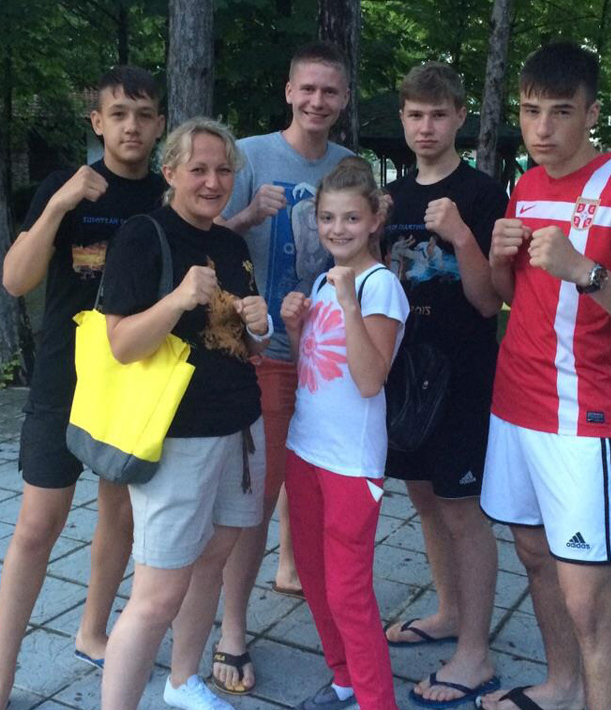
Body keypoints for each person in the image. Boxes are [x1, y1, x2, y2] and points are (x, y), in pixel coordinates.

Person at [479, 43, 611, 710]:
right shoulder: (527, 187)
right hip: (514, 408)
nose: (541, 129)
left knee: (589, 602)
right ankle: (562, 685)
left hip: (583, 420)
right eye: (530, 110)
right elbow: (513, 298)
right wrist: (496, 259)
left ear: (592, 114)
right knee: (535, 558)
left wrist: (587, 272)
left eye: (561, 112)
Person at [0, 65, 166, 710]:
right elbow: (14, 280)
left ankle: (92, 631)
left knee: (119, 514)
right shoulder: (65, 185)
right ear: (97, 122)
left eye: (143, 115)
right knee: (38, 526)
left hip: (130, 383)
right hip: (64, 377)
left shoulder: (165, 195)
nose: (131, 126)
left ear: (159, 124)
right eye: (119, 114)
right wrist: (58, 205)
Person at [97, 117, 270, 710]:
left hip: (240, 428)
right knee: (157, 594)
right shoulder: (143, 236)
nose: (213, 181)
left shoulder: (230, 243)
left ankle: (182, 681)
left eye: (223, 170)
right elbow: (121, 345)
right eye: (198, 169)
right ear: (170, 172)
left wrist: (259, 327)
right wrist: (175, 299)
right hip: (177, 437)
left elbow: (241, 346)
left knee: (211, 563)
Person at [211, 40, 355, 695]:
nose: (317, 101)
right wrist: (248, 215)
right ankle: (233, 631)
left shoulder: (350, 165)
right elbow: (205, 238)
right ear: (289, 92)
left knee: (314, 478)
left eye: (330, 91)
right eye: (308, 89)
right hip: (265, 351)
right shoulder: (249, 155)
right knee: (255, 497)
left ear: (343, 99)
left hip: (329, 358)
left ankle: (293, 569)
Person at [379, 62, 509, 709]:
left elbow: (489, 301)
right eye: (415, 115)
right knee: (426, 499)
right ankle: (450, 611)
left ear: (460, 117)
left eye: (438, 114)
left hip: (463, 375)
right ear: (403, 119)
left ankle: (475, 655)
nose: (425, 126)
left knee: (464, 510)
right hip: (406, 376)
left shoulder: (484, 196)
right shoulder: (391, 199)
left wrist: (459, 235)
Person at [280, 156, 409, 710]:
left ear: (375, 219)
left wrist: (350, 302)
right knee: (312, 576)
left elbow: (368, 378)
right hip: (305, 449)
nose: (338, 229)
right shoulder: (322, 280)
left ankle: (378, 701)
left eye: (351, 218)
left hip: (351, 465)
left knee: (348, 592)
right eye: (328, 218)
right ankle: (344, 678)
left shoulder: (380, 286)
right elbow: (314, 366)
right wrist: (294, 327)